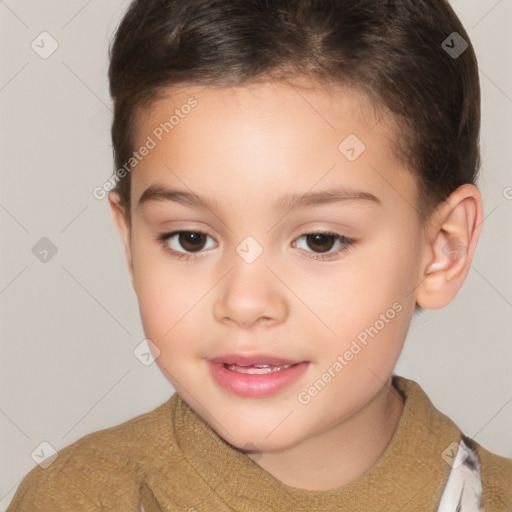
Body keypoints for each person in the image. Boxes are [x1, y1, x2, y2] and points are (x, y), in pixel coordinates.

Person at [7, 0, 512, 510]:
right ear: (131, 241)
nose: (246, 303)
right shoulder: (71, 499)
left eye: (320, 240)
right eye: (190, 239)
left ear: (444, 247)